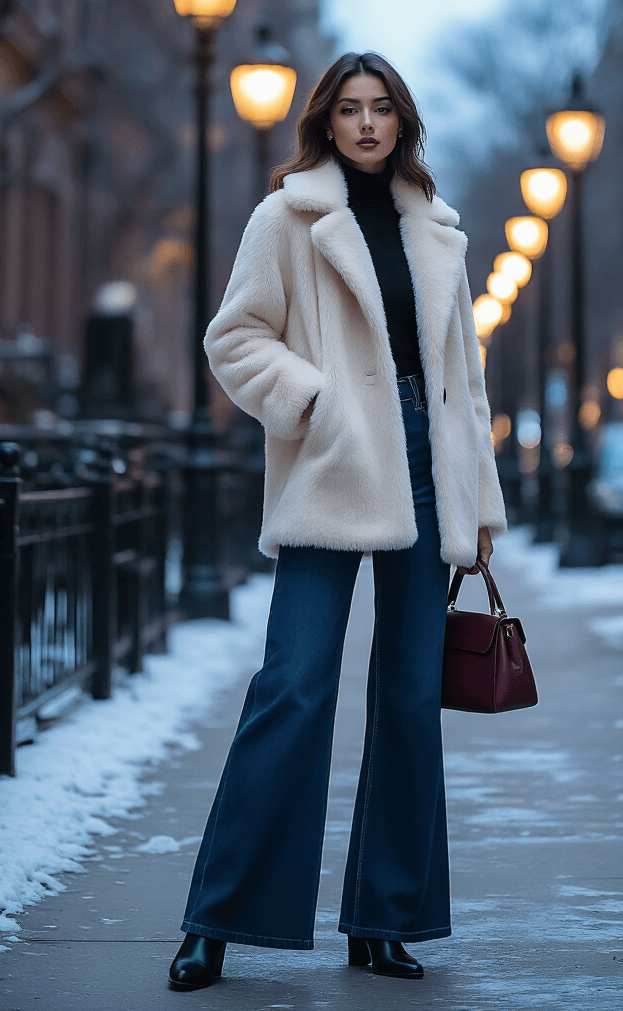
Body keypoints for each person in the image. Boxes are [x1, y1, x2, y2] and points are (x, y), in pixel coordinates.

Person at [168, 51, 506, 990]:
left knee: (406, 699)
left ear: (403, 123)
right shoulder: (288, 217)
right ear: (327, 122)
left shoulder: (438, 232)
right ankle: (217, 919)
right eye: (350, 110)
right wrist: (313, 404)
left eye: (382, 109)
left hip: (426, 470)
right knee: (294, 687)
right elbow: (234, 337)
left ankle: (382, 919)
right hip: (332, 465)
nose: (366, 125)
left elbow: (465, 386)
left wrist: (480, 502)